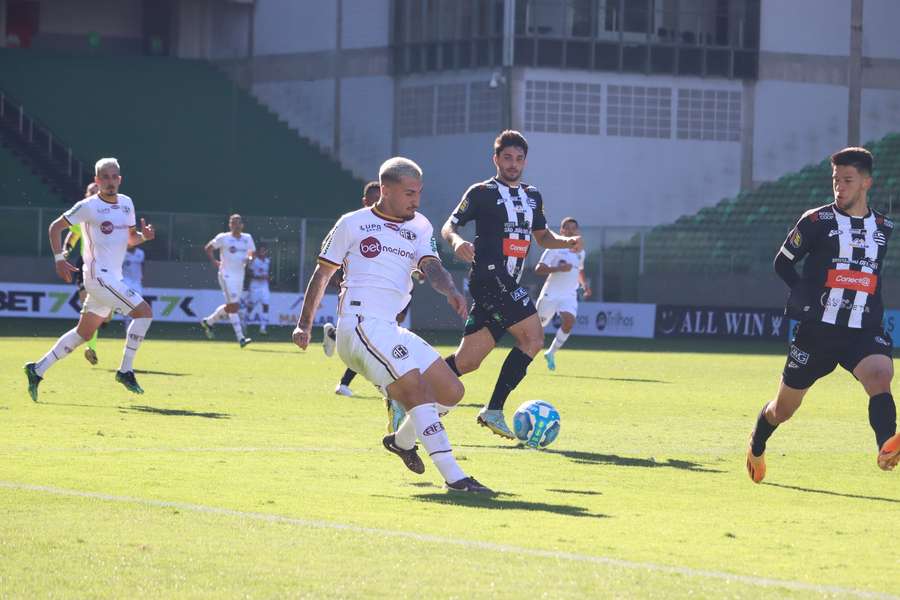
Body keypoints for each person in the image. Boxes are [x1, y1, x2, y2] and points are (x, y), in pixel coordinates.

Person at [293, 157, 492, 494]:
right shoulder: (352, 224)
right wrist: (304, 324)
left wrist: (450, 291)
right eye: (409, 193)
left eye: (419, 193)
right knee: (416, 390)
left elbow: (431, 266)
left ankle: (401, 441)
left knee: (451, 391)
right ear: (385, 190)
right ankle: (455, 477)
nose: (416, 200)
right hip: (357, 326)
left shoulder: (421, 226)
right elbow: (323, 273)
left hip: (388, 328)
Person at [747, 147, 900, 483]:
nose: (839, 187)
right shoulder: (816, 221)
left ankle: (886, 447)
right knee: (782, 410)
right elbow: (782, 262)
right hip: (817, 332)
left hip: (863, 328)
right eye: (836, 180)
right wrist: (805, 295)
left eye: (847, 180)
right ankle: (757, 444)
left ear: (866, 183)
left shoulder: (884, 227)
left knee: (879, 375)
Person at [440, 130, 581, 439]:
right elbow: (449, 226)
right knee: (533, 338)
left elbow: (542, 236)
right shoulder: (481, 192)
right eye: (507, 158)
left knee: (468, 361)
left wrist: (565, 241)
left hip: (508, 281)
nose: (513, 164)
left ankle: (408, 391)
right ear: (496, 159)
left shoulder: (533, 196)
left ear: (525, 162)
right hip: (490, 277)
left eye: (518, 159)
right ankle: (493, 409)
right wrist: (457, 241)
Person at [24, 158, 155, 399]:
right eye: (104, 177)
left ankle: (37, 369)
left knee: (83, 333)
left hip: (113, 277)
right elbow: (55, 227)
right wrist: (58, 258)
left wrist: (144, 237)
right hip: (97, 276)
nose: (110, 181)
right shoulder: (88, 206)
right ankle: (125, 370)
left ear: (120, 179)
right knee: (144, 313)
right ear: (97, 180)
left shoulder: (127, 203)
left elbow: (130, 239)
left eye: (114, 176)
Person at [324, 181, 381, 395]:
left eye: (381, 199)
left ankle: (334, 336)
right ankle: (349, 383)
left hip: (386, 292)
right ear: (364, 201)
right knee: (370, 339)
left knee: (371, 339)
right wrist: (337, 277)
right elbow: (333, 256)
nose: (378, 204)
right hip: (359, 293)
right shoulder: (353, 223)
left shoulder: (392, 224)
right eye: (374, 200)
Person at [535, 217, 591, 371]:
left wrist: (584, 285)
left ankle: (551, 353)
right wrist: (558, 269)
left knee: (569, 322)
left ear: (577, 231)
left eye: (574, 228)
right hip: (550, 295)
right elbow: (539, 269)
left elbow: (579, 269)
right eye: (567, 228)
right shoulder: (553, 248)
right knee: (535, 332)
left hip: (569, 295)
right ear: (561, 231)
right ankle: (522, 360)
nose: (571, 231)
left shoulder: (581, 252)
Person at [63, 182, 103, 365]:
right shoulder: (81, 215)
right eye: (91, 191)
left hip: (105, 267)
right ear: (87, 195)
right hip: (85, 265)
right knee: (87, 304)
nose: (95, 194)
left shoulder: (106, 215)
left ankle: (93, 335)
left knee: (101, 311)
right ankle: (91, 348)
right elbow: (72, 236)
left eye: (97, 191)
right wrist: (65, 251)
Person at [200, 214, 255, 347]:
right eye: (232, 223)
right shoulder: (223, 238)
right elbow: (208, 248)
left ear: (242, 225)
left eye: (237, 222)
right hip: (226, 275)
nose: (235, 225)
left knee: (231, 306)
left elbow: (251, 252)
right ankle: (241, 338)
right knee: (234, 306)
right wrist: (215, 262)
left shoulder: (247, 238)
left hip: (239, 275)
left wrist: (249, 259)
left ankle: (209, 322)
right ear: (230, 225)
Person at [246, 244, 271, 335]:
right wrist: (258, 277)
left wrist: (268, 278)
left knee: (266, 305)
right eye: (261, 251)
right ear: (258, 252)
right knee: (251, 306)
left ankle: (263, 328)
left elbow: (268, 274)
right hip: (255, 286)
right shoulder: (254, 261)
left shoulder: (268, 261)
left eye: (264, 251)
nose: (263, 253)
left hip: (264, 286)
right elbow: (249, 274)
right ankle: (245, 323)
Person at [121, 244, 146, 329]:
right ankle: (127, 323)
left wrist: (142, 276)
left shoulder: (140, 253)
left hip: (137, 282)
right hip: (126, 281)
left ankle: (134, 324)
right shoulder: (122, 253)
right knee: (128, 302)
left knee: (138, 303)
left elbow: (142, 265)